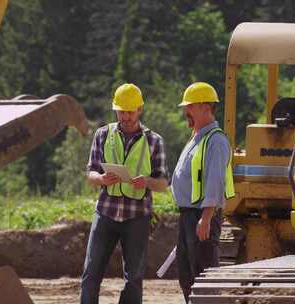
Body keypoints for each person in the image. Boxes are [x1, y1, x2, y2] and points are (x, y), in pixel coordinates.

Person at [81, 83, 169, 304]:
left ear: (140, 109)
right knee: (91, 273)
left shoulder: (154, 141)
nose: (126, 116)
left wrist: (147, 182)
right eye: (122, 111)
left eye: (130, 111)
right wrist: (100, 179)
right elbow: (90, 172)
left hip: (137, 216)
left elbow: (163, 183)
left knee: (134, 278)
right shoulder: (102, 134)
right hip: (105, 213)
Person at [171, 82, 235, 303]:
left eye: (190, 106)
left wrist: (206, 218)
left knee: (204, 277)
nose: (186, 111)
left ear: (205, 107)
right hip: (189, 215)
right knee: (187, 276)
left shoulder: (215, 141)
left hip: (202, 217)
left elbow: (215, 183)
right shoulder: (196, 137)